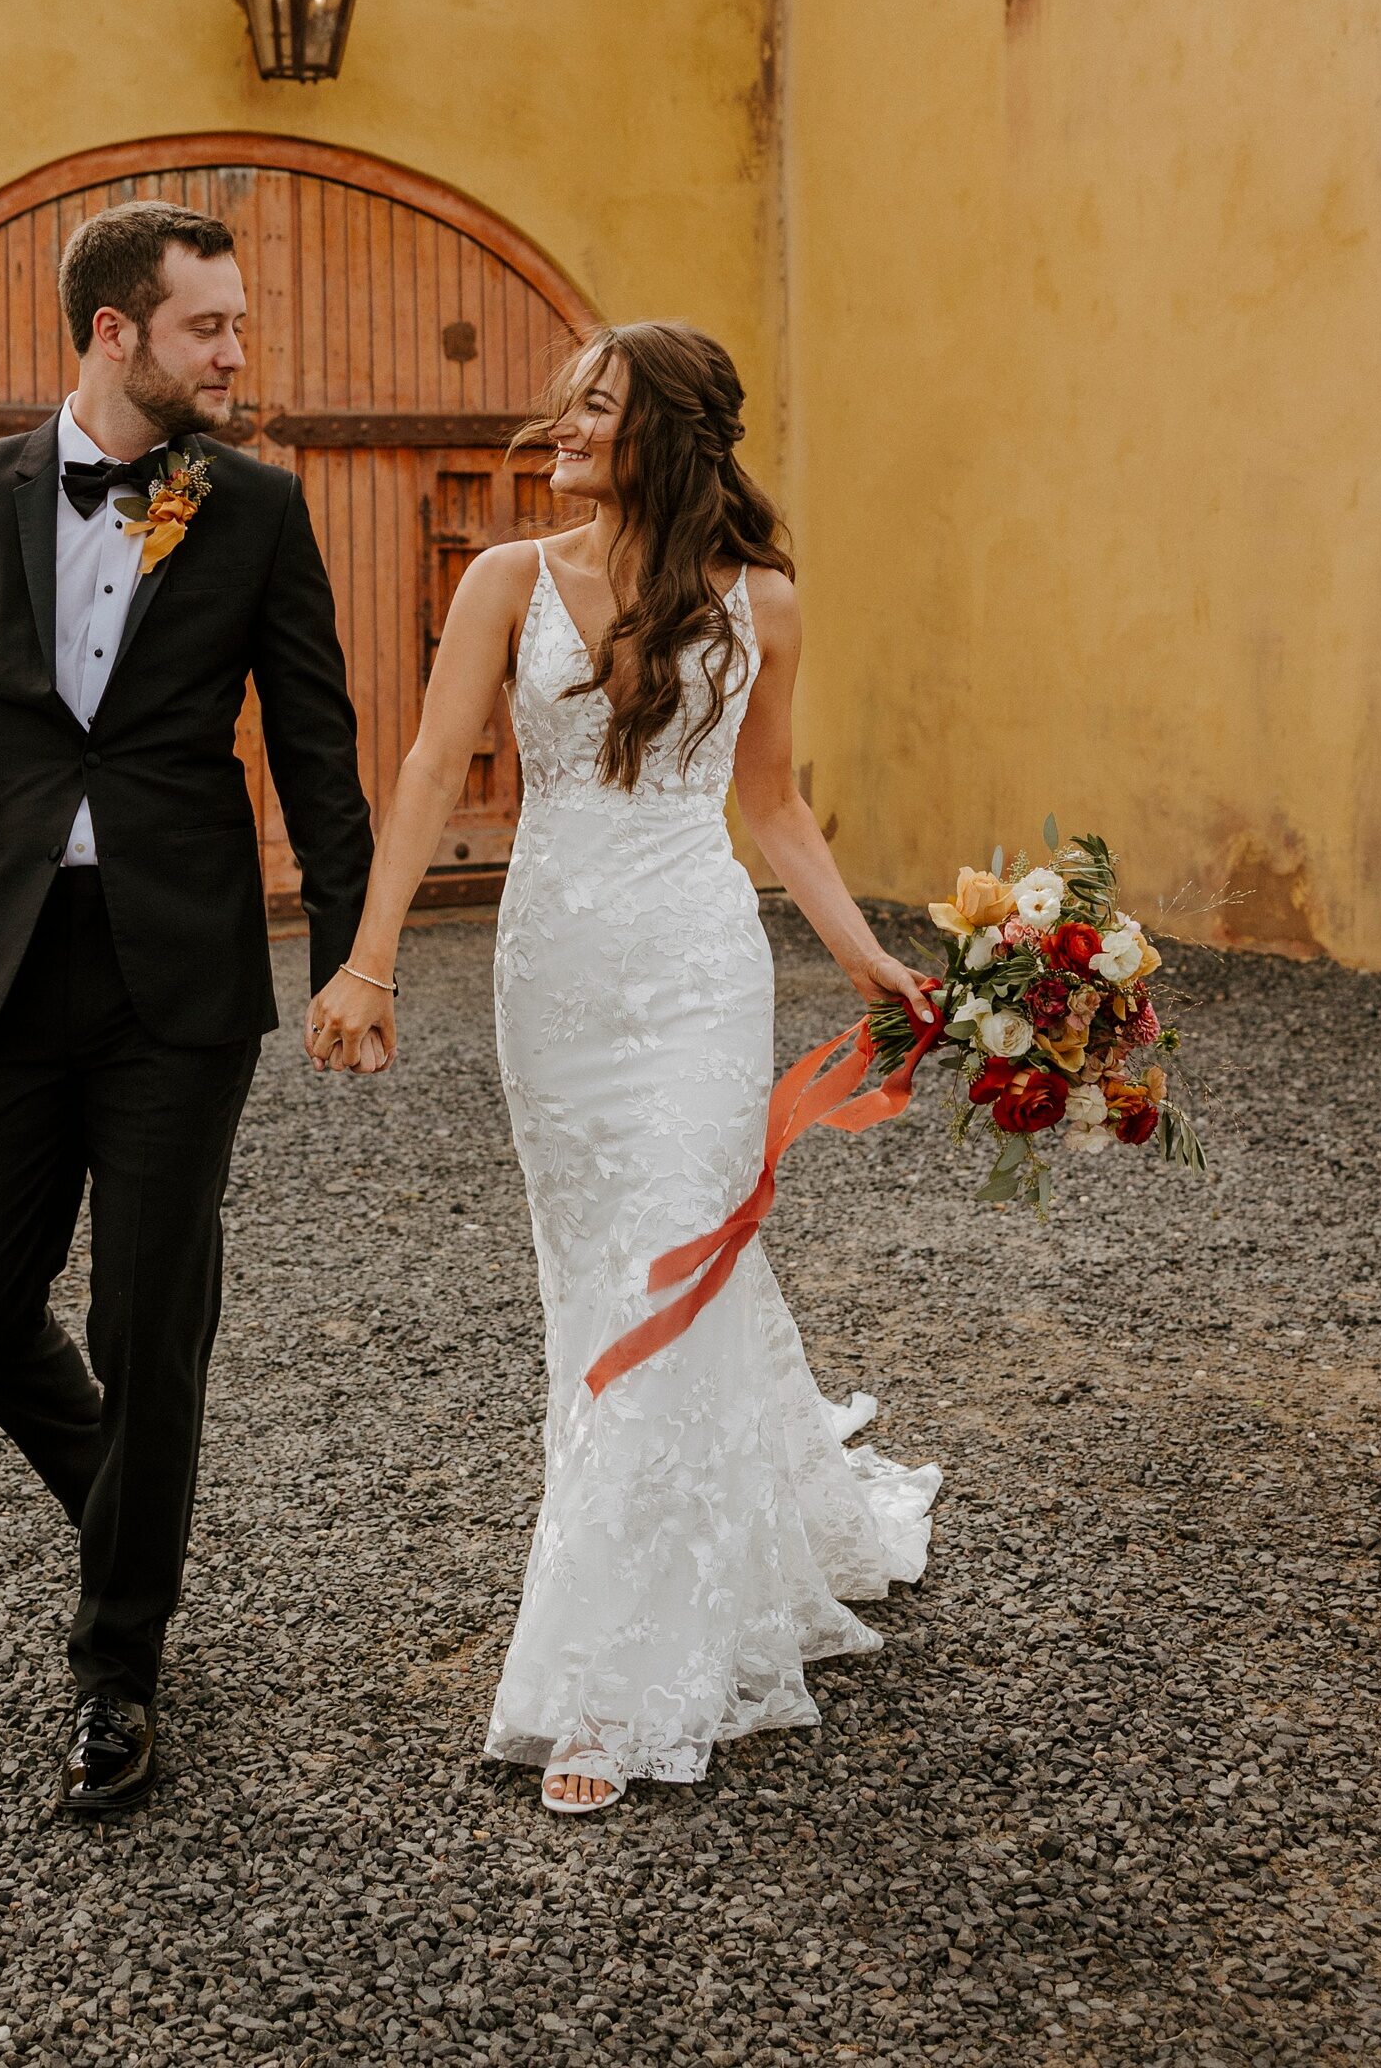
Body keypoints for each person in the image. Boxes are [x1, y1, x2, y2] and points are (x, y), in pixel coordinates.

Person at [306, 321, 941, 1814]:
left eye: (599, 405)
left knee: (667, 1272)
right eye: (570, 404)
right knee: (606, 1284)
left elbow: (772, 805)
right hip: (556, 984)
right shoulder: (505, 581)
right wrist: (367, 958)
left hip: (697, 974)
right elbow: (422, 765)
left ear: (670, 429)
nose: (566, 425)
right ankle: (747, 1526)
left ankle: (610, 1687)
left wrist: (864, 962)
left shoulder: (761, 600)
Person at [0, 200, 373, 1821]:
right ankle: (130, 1510)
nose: (237, 351)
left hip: (181, 970)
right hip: (3, 955)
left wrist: (358, 958)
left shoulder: (255, 506)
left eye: (239, 322)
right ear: (115, 332)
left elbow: (323, 748)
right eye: (210, 326)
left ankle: (117, 1666)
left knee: (150, 1320)